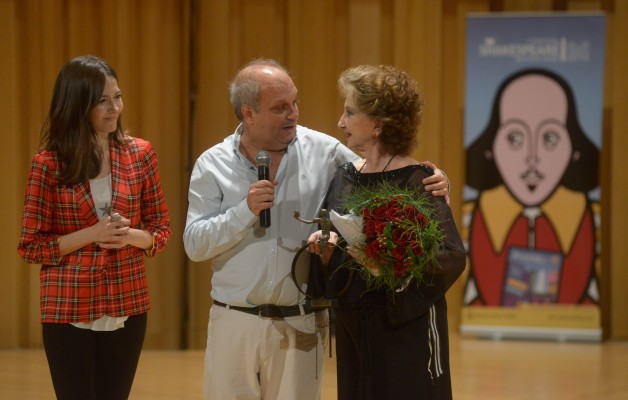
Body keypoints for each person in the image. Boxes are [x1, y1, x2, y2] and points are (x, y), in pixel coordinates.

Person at [183, 58, 450, 400]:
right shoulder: (212, 163)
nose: (293, 114)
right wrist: (244, 211)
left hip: (302, 325)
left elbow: (385, 170)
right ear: (248, 113)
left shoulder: (325, 153)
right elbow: (194, 244)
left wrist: (437, 182)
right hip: (234, 324)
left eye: (294, 102)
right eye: (280, 107)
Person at [17, 55, 172, 400]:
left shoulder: (140, 154)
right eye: (102, 100)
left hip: (128, 302)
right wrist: (94, 234)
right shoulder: (49, 164)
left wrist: (129, 235)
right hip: (68, 306)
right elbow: (30, 246)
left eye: (117, 96)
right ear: (77, 105)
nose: (114, 107)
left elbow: (161, 230)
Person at [308, 64, 466, 399]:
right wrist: (325, 250)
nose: (340, 122)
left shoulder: (419, 179)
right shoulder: (345, 175)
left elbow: (451, 256)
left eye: (350, 112)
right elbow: (331, 244)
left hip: (405, 331)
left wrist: (389, 268)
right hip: (354, 329)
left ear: (378, 124)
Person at [463, 68, 600, 307]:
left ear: (574, 147)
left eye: (550, 138)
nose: (532, 158)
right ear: (491, 146)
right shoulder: (464, 220)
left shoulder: (594, 219)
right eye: (515, 138)